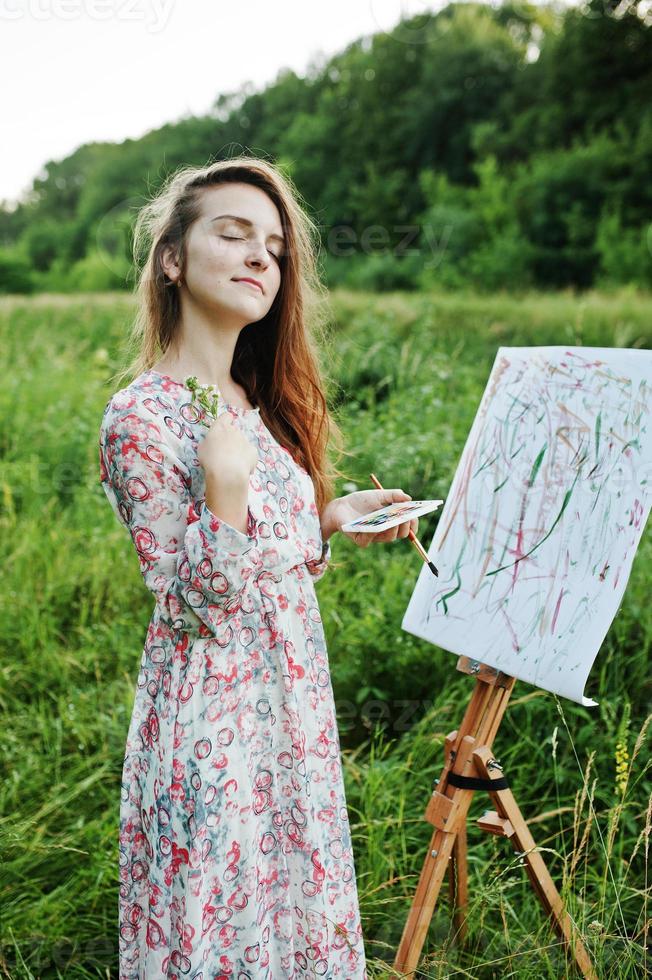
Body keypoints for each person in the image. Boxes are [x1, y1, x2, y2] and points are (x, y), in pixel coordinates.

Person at [98, 156, 419, 979]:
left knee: (288, 920)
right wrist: (226, 485)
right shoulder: (140, 414)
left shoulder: (250, 401)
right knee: (219, 929)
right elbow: (197, 600)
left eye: (273, 248)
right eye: (233, 235)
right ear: (172, 258)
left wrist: (329, 519)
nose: (258, 259)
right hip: (210, 726)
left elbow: (265, 564)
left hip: (289, 715)